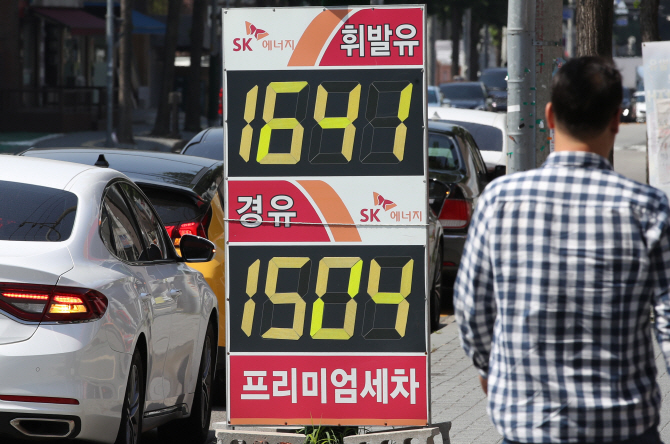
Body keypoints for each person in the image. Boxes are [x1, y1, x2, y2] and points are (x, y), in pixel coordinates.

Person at [454, 56, 670, 444]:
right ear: (616, 121)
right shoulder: (647, 208)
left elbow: (473, 308)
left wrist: (489, 370)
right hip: (624, 427)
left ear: (550, 116)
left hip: (527, 426)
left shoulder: (500, 201)